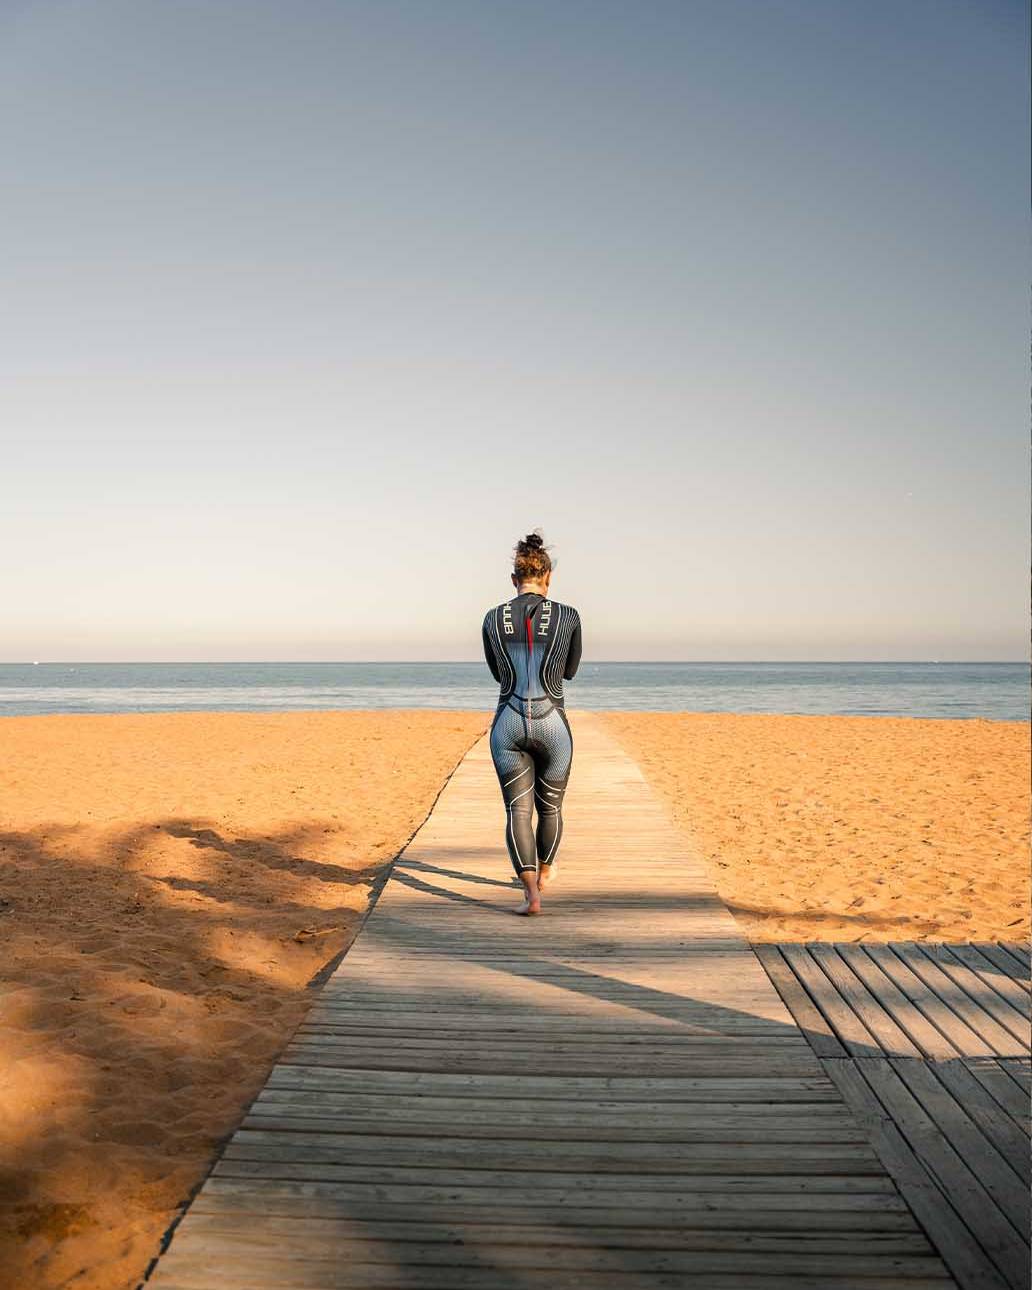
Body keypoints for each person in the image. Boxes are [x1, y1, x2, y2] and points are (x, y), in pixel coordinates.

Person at [481, 531, 582, 914]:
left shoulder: (492, 618)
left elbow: (497, 674)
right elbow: (569, 671)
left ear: (513, 579)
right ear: (549, 577)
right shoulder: (569, 616)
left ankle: (531, 896)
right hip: (553, 721)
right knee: (551, 808)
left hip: (507, 721)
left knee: (517, 811)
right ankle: (546, 871)